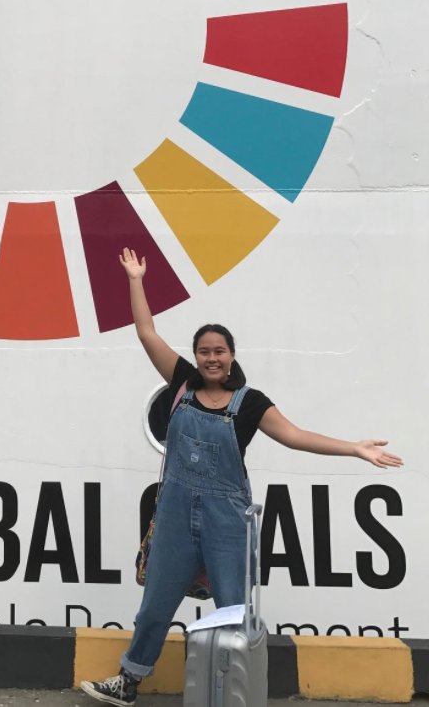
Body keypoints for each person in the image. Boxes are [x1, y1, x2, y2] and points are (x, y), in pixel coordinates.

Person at [81, 247, 403, 707]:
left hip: (226, 522)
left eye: (219, 351)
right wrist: (136, 280)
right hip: (174, 518)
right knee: (154, 605)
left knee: (233, 611)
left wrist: (354, 448)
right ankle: (128, 682)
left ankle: (235, 694)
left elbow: (294, 435)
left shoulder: (250, 403)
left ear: (231, 356)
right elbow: (147, 332)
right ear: (196, 356)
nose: (211, 358)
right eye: (204, 351)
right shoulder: (181, 383)